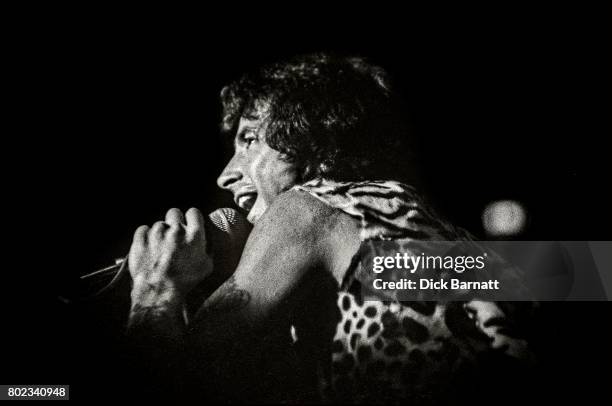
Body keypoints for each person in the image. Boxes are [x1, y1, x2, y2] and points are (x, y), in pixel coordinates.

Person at [125, 53, 534, 403]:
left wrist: (154, 293)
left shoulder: (307, 207)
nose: (225, 175)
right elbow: (581, 271)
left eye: (249, 139)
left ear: (310, 133)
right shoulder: (434, 228)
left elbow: (174, 386)